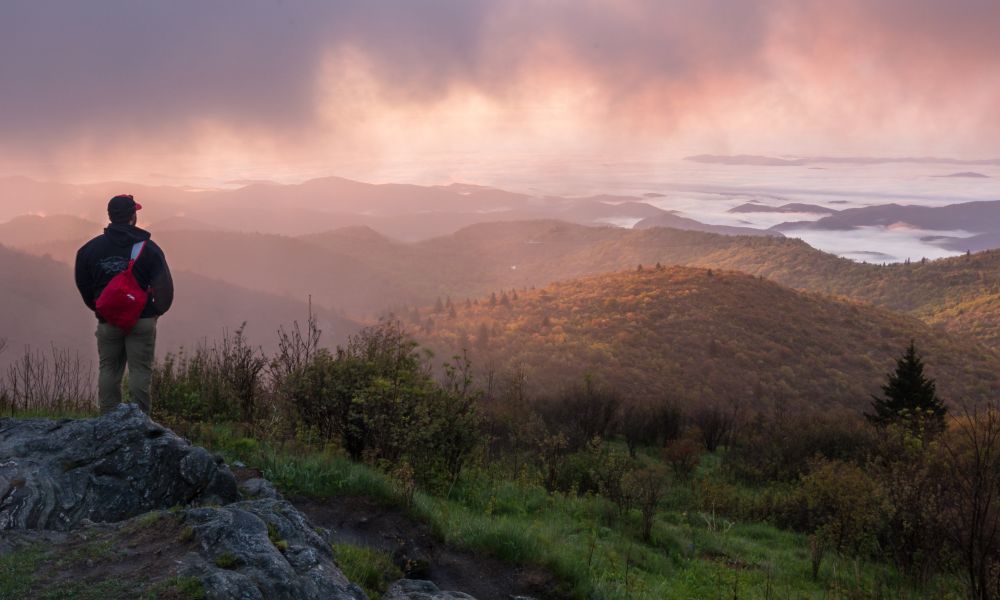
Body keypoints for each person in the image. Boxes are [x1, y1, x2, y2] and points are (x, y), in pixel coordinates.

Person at [75, 195, 173, 414]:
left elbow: (84, 285)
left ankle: (108, 421)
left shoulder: (89, 250)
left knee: (109, 370)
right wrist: (155, 311)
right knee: (140, 371)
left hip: (108, 320)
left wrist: (100, 308)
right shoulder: (149, 249)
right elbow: (165, 288)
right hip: (142, 319)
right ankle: (141, 425)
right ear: (133, 216)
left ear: (110, 216)